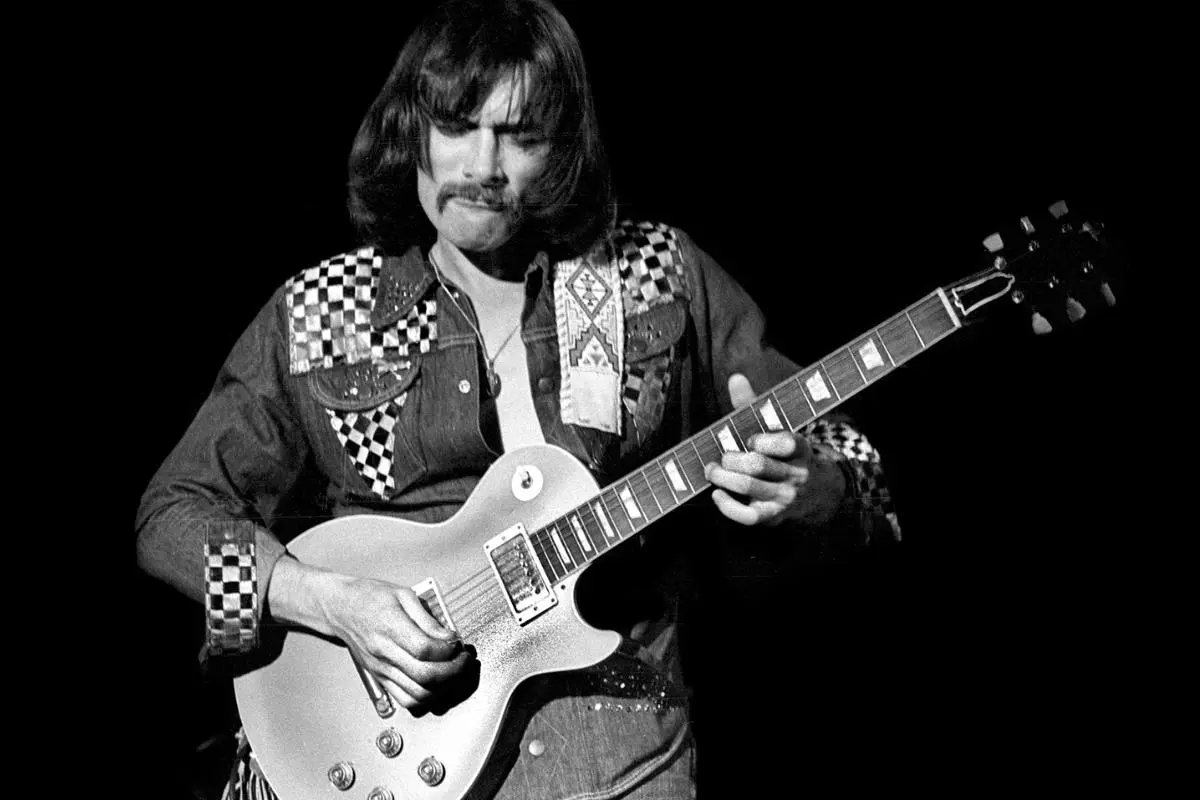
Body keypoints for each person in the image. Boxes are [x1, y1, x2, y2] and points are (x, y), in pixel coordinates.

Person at [135, 1, 901, 797]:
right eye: (458, 126)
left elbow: (849, 460)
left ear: (565, 146)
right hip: (383, 753)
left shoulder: (653, 273)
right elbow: (170, 516)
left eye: (521, 136)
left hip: (619, 758)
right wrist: (330, 601)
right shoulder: (321, 311)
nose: (482, 167)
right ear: (412, 130)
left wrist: (824, 492)